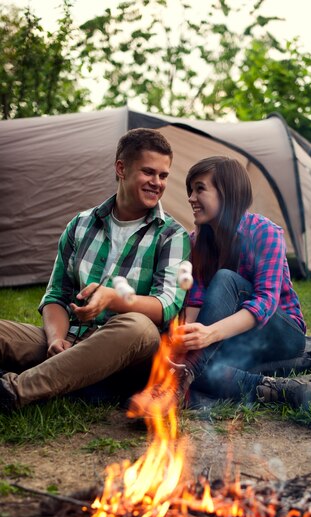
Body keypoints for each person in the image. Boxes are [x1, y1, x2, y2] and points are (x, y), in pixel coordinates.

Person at [0, 128, 190, 412]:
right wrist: (55, 340)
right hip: (71, 338)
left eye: (163, 175)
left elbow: (166, 305)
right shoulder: (80, 224)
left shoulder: (172, 235)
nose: (157, 183)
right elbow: (56, 295)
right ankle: (66, 374)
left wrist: (113, 299)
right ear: (121, 169)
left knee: (139, 327)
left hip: (127, 351)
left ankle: (13, 391)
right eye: (149, 172)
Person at [133, 155, 311, 416]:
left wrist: (211, 334)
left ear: (227, 192)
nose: (191, 198)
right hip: (233, 335)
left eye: (200, 189)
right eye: (190, 190)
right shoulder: (196, 241)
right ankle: (286, 390)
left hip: (281, 333)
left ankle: (175, 383)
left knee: (226, 279)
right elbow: (195, 301)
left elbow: (265, 302)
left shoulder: (264, 232)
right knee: (201, 365)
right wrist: (184, 342)